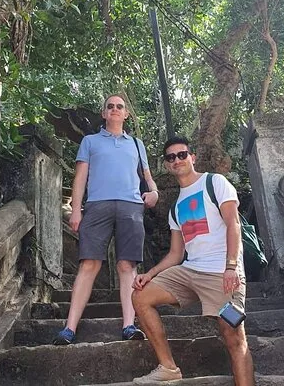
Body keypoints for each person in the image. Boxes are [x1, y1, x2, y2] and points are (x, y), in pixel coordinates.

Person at [131, 136, 255, 385]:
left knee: (233, 337)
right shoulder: (176, 207)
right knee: (141, 296)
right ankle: (168, 367)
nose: (177, 160)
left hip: (221, 271)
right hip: (190, 270)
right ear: (167, 164)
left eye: (182, 154)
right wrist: (150, 274)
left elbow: (234, 224)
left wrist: (231, 266)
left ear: (192, 157)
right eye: (171, 157)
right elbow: (176, 254)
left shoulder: (214, 182)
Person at [53, 94, 160, 345]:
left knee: (127, 266)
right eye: (110, 106)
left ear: (126, 114)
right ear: (104, 113)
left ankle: (129, 325)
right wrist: (76, 209)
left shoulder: (136, 144)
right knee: (89, 264)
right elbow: (80, 177)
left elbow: (147, 176)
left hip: (131, 206)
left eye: (119, 106)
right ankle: (69, 328)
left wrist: (154, 192)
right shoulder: (90, 141)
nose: (114, 109)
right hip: (97, 206)